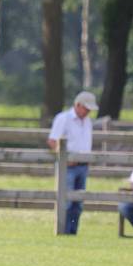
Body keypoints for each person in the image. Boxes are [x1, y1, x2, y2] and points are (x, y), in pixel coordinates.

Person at [48, 90, 98, 234]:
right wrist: (65, 160)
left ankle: (72, 231)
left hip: (83, 166)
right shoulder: (63, 118)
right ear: (78, 105)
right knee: (67, 201)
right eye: (86, 108)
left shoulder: (87, 121)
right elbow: (53, 141)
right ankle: (63, 230)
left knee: (78, 202)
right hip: (68, 167)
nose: (88, 112)